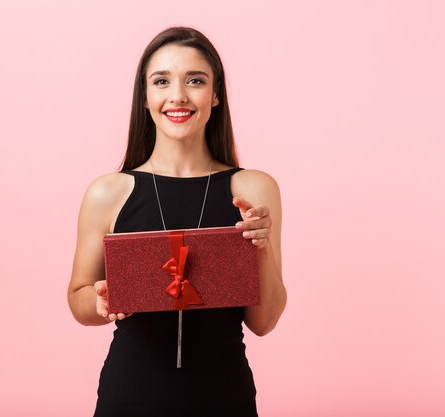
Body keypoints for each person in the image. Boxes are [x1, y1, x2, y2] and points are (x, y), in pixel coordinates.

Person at [67, 26, 287, 417]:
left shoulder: (253, 188)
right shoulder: (107, 193)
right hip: (130, 396)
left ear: (216, 95)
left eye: (196, 81)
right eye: (162, 81)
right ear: (146, 97)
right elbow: (78, 299)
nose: (178, 96)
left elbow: (264, 322)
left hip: (225, 398)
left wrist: (262, 247)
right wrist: (100, 297)